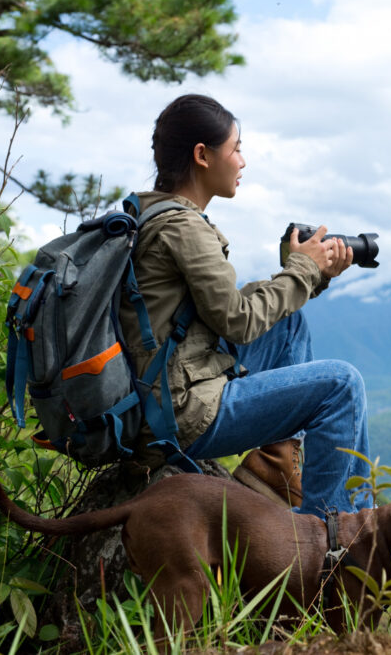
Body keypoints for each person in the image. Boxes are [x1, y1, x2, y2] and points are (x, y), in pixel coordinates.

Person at [118, 93, 371, 518]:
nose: (243, 161)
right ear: (203, 155)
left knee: (288, 326)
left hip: (161, 383)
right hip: (178, 413)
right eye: (236, 148)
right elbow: (237, 320)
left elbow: (224, 310)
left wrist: (311, 273)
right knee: (342, 385)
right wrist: (303, 270)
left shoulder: (152, 214)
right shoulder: (183, 228)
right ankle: (338, 538)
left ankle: (275, 469)